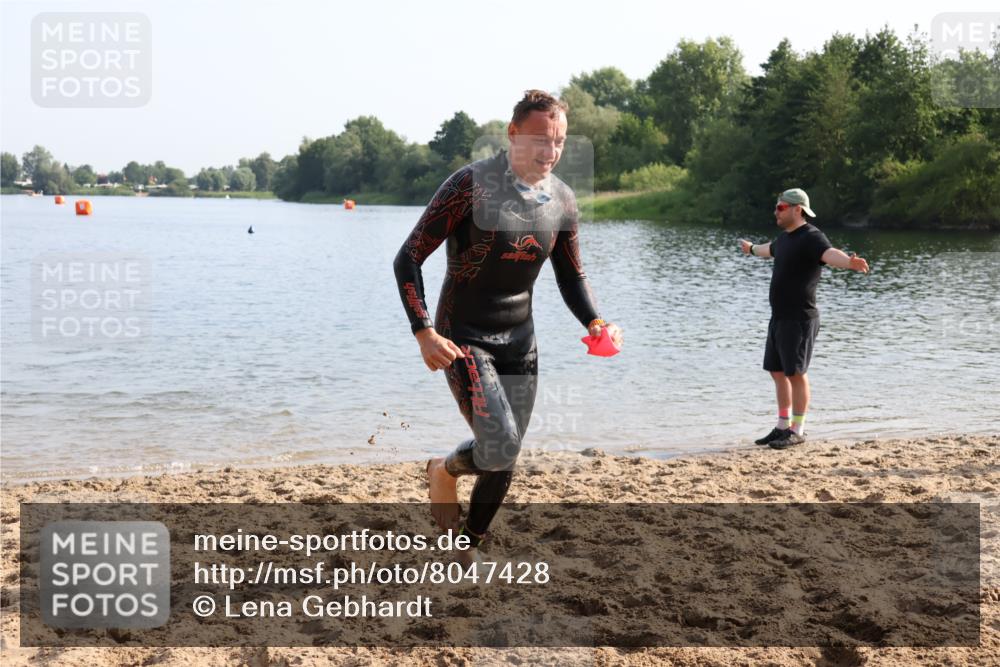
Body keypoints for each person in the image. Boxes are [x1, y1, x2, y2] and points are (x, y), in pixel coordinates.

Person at [393, 90, 623, 556]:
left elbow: (572, 275)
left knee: (506, 454)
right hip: (463, 335)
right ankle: (444, 471)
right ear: (513, 133)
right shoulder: (469, 186)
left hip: (521, 340)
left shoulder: (561, 199)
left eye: (558, 142)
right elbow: (409, 257)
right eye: (539, 138)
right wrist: (424, 331)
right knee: (498, 444)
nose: (549, 151)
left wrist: (596, 321)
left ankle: (467, 546)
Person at [739, 188, 868, 449]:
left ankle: (798, 429)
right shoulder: (785, 238)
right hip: (779, 318)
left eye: (781, 207)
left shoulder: (811, 236)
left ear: (798, 209)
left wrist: (849, 263)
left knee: (796, 373)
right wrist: (752, 249)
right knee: (777, 372)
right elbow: (769, 249)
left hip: (800, 318)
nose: (776, 211)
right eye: (776, 207)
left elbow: (829, 254)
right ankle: (782, 426)